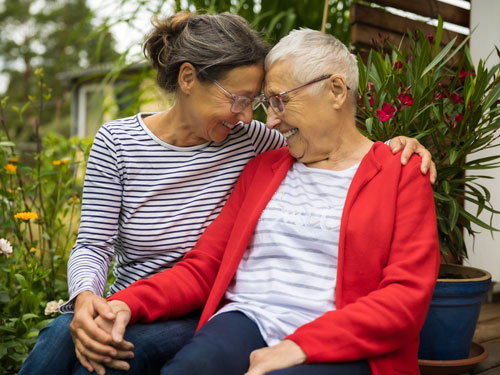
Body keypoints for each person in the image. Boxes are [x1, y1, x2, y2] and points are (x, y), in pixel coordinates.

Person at [19, 12, 435, 375]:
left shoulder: (263, 143)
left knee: (108, 355)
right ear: (187, 79)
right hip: (204, 308)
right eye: (246, 101)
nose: (260, 119)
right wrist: (109, 301)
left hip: (264, 317)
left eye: (270, 101)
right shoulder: (254, 159)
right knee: (70, 338)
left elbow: (344, 149)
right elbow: (185, 262)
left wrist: (402, 146)